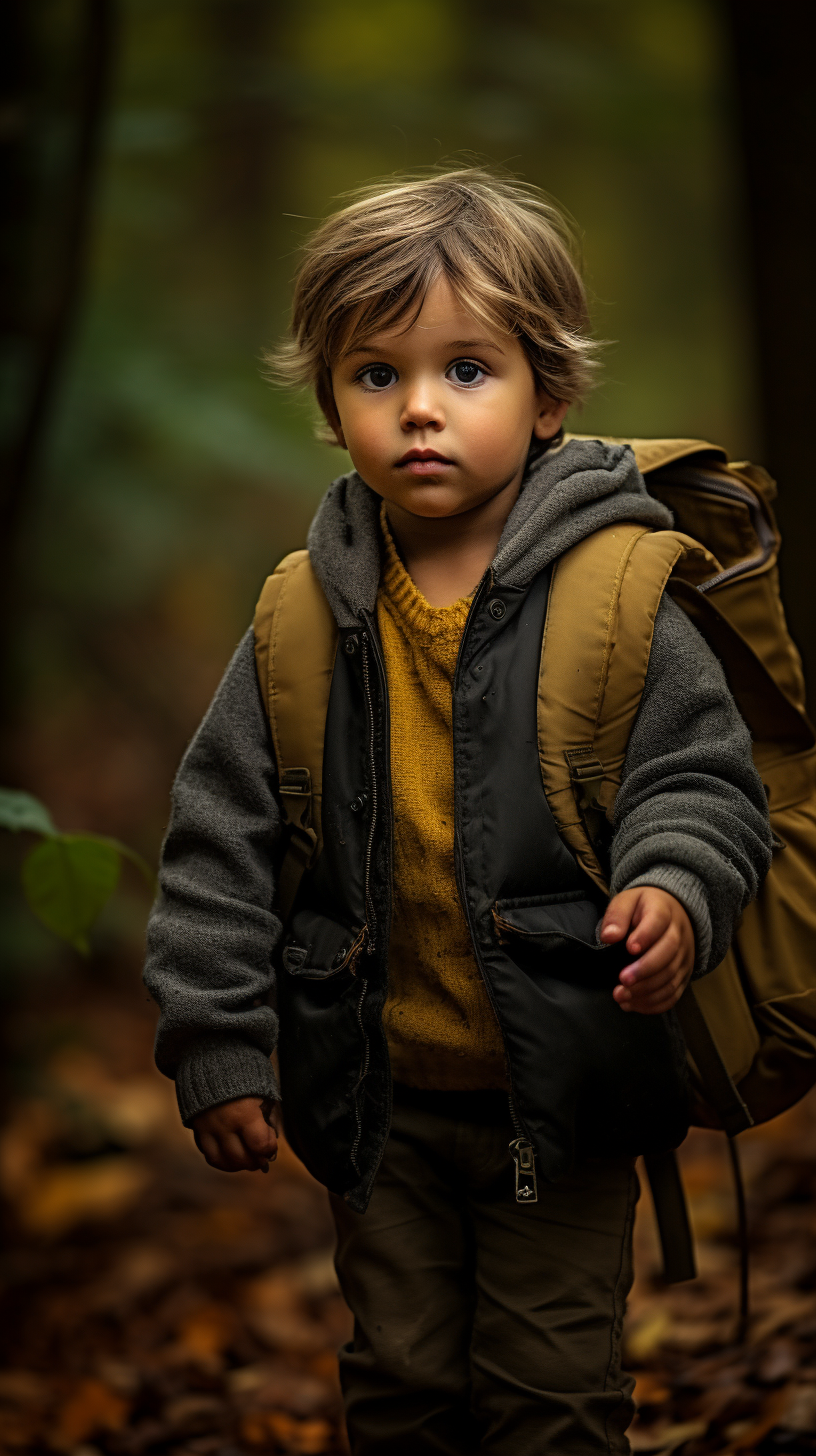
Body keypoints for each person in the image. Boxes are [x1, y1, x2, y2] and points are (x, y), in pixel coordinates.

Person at [144, 169, 773, 1454]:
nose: (420, 408)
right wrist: (215, 1038)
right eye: (377, 374)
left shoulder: (619, 592)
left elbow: (702, 778)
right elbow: (220, 837)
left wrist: (674, 887)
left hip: (570, 1090)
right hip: (377, 1100)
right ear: (331, 399)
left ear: (550, 397)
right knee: (404, 1383)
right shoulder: (300, 616)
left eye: (467, 370)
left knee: (552, 1398)